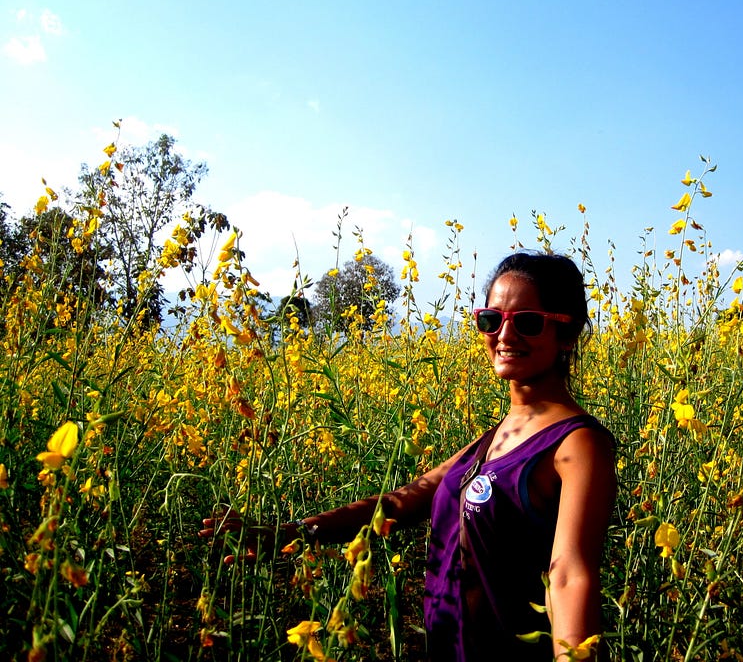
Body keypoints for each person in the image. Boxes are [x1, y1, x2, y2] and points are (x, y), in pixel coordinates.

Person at [201, 251, 617, 661]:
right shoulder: (493, 440)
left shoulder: (577, 444)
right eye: (491, 320)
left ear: (567, 334)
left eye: (528, 323)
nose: (505, 336)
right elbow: (401, 502)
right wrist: (289, 533)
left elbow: (568, 575)